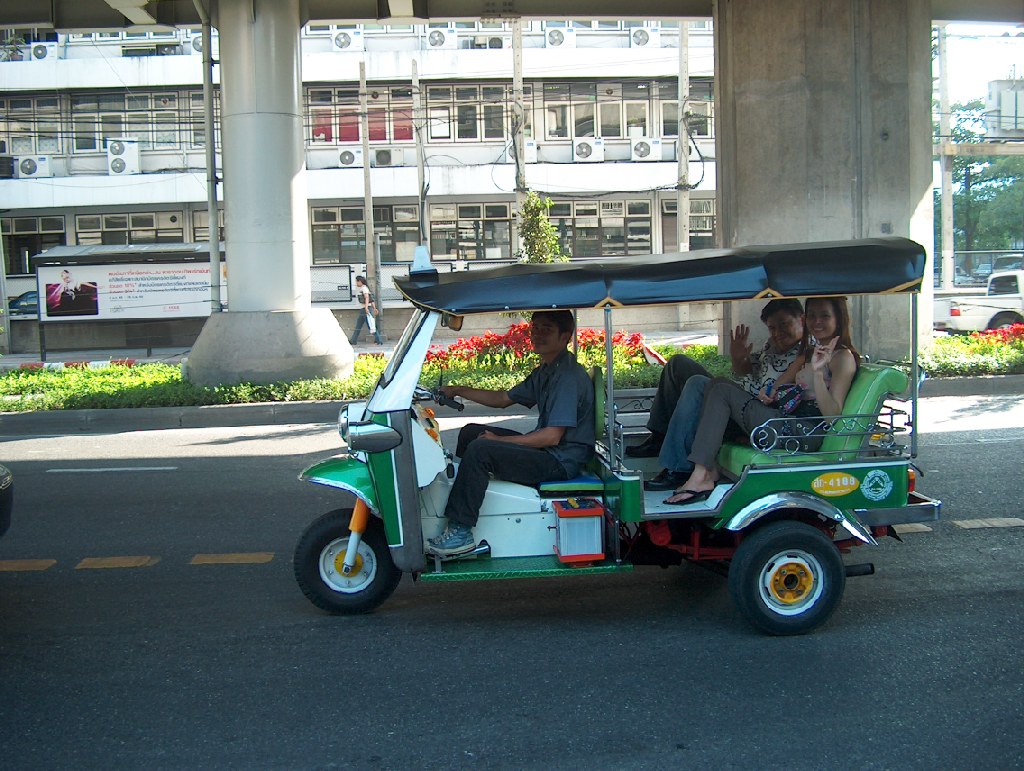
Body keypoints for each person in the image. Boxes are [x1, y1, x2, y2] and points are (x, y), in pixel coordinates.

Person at [426, 310, 596, 557]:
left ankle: (460, 532)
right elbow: (503, 399)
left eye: (546, 329)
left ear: (565, 337)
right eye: (535, 328)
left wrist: (499, 441)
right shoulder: (548, 369)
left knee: (481, 449)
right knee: (471, 433)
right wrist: (457, 390)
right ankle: (470, 494)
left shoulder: (568, 377)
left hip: (560, 462)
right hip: (550, 451)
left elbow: (551, 436)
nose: (537, 334)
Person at [664, 296, 860, 505]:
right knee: (716, 384)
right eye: (812, 316)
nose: (817, 321)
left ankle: (701, 475)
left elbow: (833, 417)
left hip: (805, 432)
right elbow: (774, 388)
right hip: (782, 419)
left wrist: (819, 374)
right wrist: (765, 395)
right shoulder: (810, 353)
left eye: (825, 316)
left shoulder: (842, 357)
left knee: (721, 390)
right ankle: (707, 469)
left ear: (838, 318)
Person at [640, 298, 807, 491]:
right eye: (772, 328)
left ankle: (678, 468)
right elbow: (747, 373)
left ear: (802, 320)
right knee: (678, 363)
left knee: (698, 383)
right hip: (735, 402)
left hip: (752, 415)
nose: (777, 333)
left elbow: (773, 392)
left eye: (784, 324)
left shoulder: (805, 353)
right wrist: (739, 357)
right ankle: (659, 436)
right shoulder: (771, 347)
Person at [349, 275, 383, 345]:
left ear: (360, 281)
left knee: (370, 325)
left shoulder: (364, 289)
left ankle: (379, 340)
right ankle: (353, 340)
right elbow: (371, 300)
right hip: (364, 309)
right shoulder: (366, 288)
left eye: (357, 281)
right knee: (359, 325)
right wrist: (374, 308)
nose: (356, 283)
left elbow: (367, 298)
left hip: (365, 309)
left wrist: (366, 308)